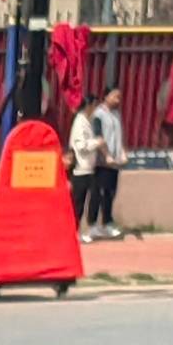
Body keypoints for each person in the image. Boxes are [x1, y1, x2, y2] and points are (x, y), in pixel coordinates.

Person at [68, 83, 127, 240]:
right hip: (81, 168)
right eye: (115, 96)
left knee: (96, 197)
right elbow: (80, 145)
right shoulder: (83, 121)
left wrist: (120, 153)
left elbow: (117, 137)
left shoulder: (103, 116)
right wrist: (97, 144)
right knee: (79, 203)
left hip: (90, 167)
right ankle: (75, 232)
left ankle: (93, 228)